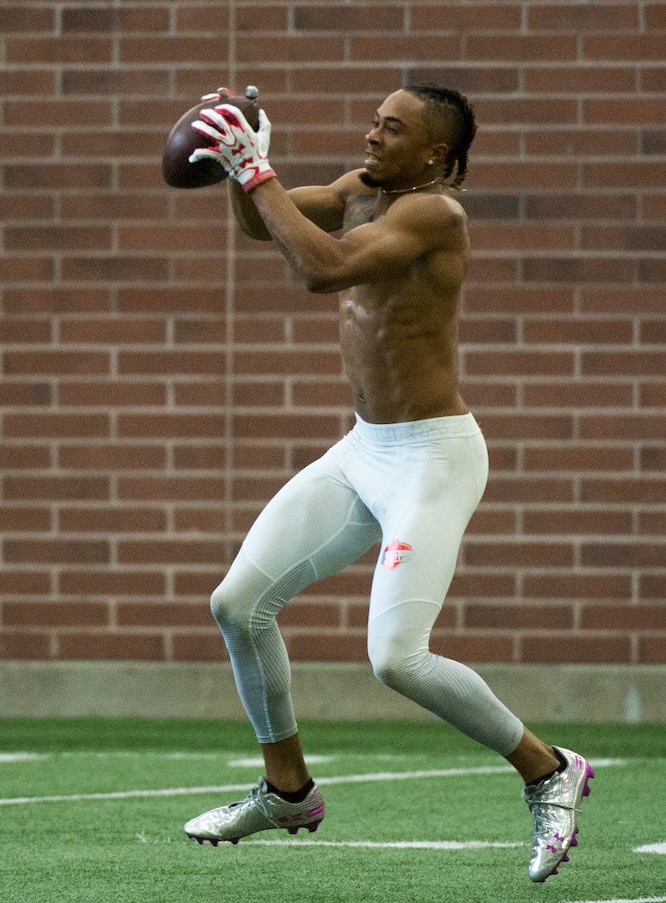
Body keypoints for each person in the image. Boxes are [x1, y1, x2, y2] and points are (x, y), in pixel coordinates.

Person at [182, 83, 593, 883]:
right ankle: (287, 789)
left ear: (435, 154)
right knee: (236, 603)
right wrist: (246, 172)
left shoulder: (434, 214)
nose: (371, 135)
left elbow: (321, 268)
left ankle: (549, 769)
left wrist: (256, 169)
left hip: (434, 457)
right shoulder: (364, 189)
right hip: (366, 449)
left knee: (397, 657)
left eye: (391, 128)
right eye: (373, 118)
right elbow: (263, 223)